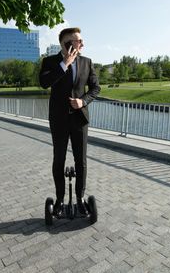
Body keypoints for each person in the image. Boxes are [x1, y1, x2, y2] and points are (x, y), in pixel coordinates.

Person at [39, 27, 101, 217]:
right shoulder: (50, 61)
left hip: (79, 119)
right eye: (78, 41)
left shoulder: (86, 62)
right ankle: (59, 199)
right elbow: (44, 83)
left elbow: (96, 88)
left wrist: (83, 101)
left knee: (80, 161)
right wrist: (64, 63)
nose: (82, 44)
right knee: (59, 160)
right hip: (59, 119)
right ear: (66, 43)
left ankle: (80, 198)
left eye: (81, 40)